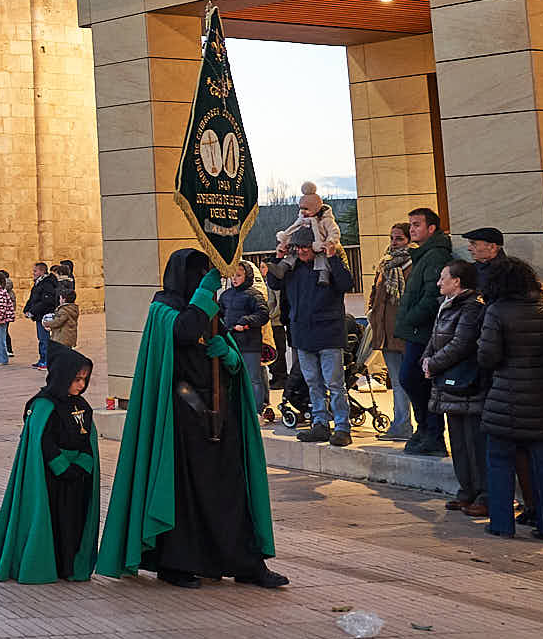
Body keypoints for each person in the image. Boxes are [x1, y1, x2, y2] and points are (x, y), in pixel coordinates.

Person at [96, 247, 286, 589]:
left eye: (205, 276)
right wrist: (205, 292)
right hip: (181, 418)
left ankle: (246, 562)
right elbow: (184, 331)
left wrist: (230, 358)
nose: (202, 282)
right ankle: (176, 563)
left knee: (231, 489)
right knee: (183, 492)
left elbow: (223, 345)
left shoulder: (208, 309)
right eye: (197, 276)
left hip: (219, 415)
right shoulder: (163, 309)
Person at [0, 348, 100, 582]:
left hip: (77, 478)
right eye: (76, 379)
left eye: (84, 380)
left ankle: (69, 567)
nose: (81, 385)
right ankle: (49, 565)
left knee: (73, 523)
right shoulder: (43, 405)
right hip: (50, 480)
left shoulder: (83, 406)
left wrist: (82, 465)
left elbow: (89, 440)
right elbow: (42, 440)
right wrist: (62, 467)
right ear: (62, 376)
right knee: (52, 522)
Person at [477, 257, 543, 544]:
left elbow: (488, 357)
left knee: (499, 460)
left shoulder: (496, 312)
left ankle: (502, 524)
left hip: (507, 398)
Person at [266, 234, 355, 445]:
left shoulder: (329, 264)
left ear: (316, 246)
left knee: (335, 384)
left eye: (306, 246)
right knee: (313, 383)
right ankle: (320, 424)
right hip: (302, 334)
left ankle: (342, 428)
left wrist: (332, 257)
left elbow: (346, 283)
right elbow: (274, 282)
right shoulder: (291, 267)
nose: (302, 251)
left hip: (329, 334)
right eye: (297, 247)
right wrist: (278, 256)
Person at [424, 258, 488, 519]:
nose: (439, 283)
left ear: (457, 281)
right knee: (458, 441)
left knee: (474, 442)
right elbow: (435, 339)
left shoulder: (472, 307)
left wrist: (433, 363)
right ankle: (466, 490)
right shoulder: (446, 305)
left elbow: (462, 343)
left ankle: (483, 494)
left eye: (443, 277)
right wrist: (426, 360)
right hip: (447, 380)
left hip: (466, 381)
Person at [397, 207, 452, 456]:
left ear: (431, 228)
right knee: (413, 379)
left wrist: (409, 318)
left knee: (414, 379)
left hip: (424, 331)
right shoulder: (423, 255)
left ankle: (432, 433)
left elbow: (433, 296)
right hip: (417, 330)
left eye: (417, 224)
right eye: (410, 225)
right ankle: (426, 430)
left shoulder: (436, 255)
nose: (412, 229)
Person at [367, 223, 416, 440]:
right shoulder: (385, 264)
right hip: (386, 334)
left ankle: (414, 426)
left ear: (409, 240)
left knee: (410, 381)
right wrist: (372, 314)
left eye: (399, 239)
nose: (394, 243)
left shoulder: (413, 265)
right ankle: (401, 425)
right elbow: (375, 294)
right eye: (392, 238)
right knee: (396, 382)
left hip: (406, 333)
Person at [219, 261, 272, 420]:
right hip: (231, 342)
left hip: (250, 344)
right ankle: (236, 410)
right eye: (233, 275)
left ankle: (257, 411)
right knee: (232, 378)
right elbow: (219, 314)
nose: (235, 279)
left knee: (253, 379)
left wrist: (246, 322)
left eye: (239, 275)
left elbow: (263, 314)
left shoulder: (254, 295)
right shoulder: (225, 295)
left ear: (247, 276)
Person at [22, 263, 58, 370]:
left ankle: (46, 361)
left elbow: (46, 301)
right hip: (39, 315)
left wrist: (33, 311)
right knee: (41, 338)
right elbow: (33, 298)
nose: (33, 273)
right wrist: (27, 309)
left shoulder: (47, 284)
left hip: (44, 315)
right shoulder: (38, 283)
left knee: (44, 339)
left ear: (42, 271)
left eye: (35, 271)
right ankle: (42, 359)